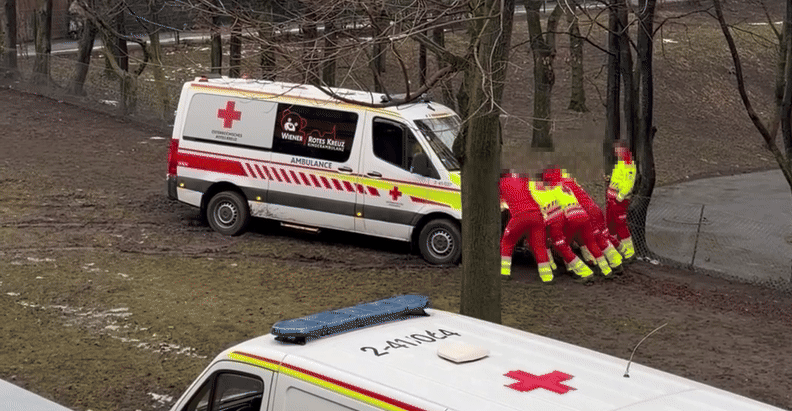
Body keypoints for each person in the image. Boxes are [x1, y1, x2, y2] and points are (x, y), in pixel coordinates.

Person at [542, 167, 624, 273]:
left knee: (591, 238)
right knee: (598, 237)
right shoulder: (569, 181)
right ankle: (615, 259)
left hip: (585, 212)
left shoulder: (556, 186)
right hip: (592, 208)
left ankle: (576, 266)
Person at [528, 177, 595, 284]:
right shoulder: (546, 181)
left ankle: (584, 271)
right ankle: (567, 268)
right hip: (560, 213)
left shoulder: (529, 184)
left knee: (559, 244)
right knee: (558, 243)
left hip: (551, 215)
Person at [499, 171, 556, 284]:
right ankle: (547, 277)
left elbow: (501, 203)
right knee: (539, 246)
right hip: (537, 216)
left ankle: (504, 273)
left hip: (519, 216)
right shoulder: (522, 178)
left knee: (507, 241)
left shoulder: (500, 184)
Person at [606, 141, 637, 262]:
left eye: (618, 150)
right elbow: (618, 179)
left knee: (621, 225)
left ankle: (629, 252)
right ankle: (618, 249)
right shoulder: (620, 163)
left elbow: (629, 183)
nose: (617, 152)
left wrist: (620, 196)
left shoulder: (629, 165)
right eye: (616, 150)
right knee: (611, 224)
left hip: (619, 200)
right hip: (612, 198)